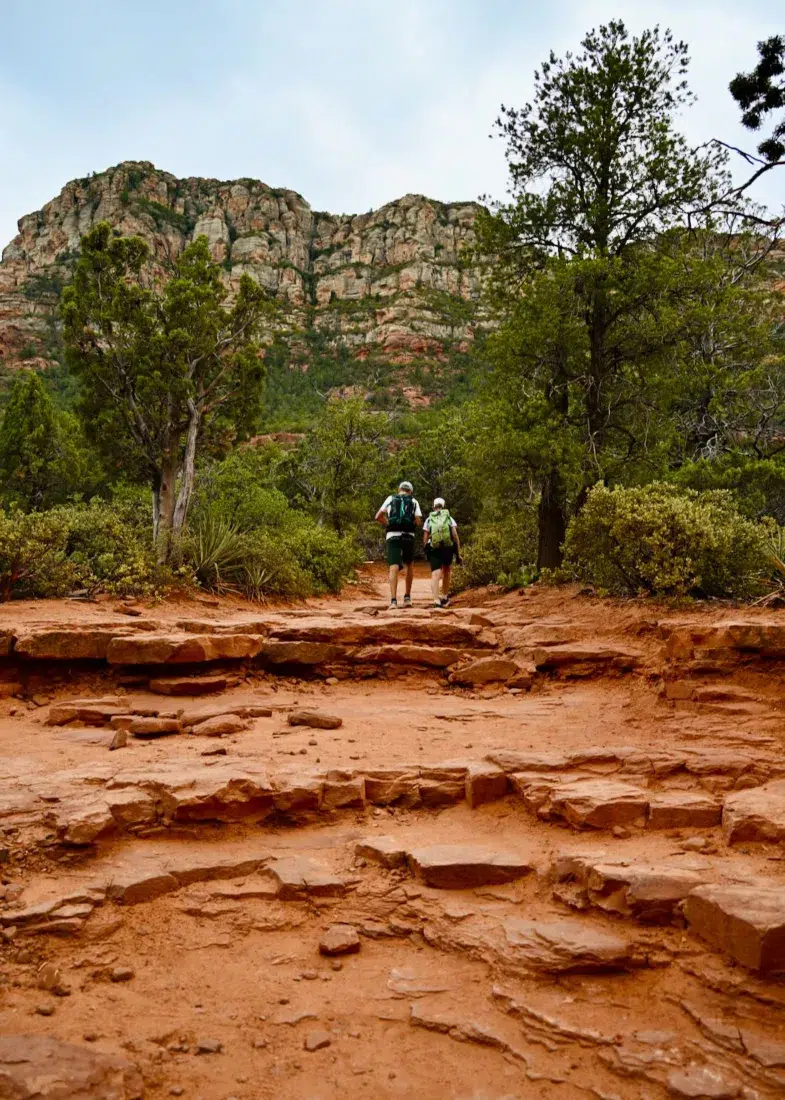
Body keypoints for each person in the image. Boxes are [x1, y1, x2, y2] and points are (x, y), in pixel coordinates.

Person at [375, 481, 423, 608]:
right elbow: (418, 520)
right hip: (408, 536)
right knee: (409, 564)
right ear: (410, 491)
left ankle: (393, 601)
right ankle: (407, 598)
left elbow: (378, 516)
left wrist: (388, 523)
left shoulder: (391, 498)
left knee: (393, 566)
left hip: (393, 535)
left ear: (399, 489)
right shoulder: (414, 501)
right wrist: (412, 524)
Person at [423, 497, 461, 607]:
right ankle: (444, 597)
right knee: (446, 571)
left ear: (433, 506)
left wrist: (427, 550)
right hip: (447, 548)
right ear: (443, 506)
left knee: (435, 573)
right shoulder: (449, 518)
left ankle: (436, 600)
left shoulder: (429, 519)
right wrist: (458, 552)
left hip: (434, 548)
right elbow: (455, 536)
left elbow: (425, 538)